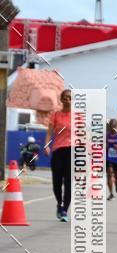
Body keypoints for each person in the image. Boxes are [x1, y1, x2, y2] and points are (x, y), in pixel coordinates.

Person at [44, 89, 72, 221]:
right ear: (61, 100)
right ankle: (59, 204)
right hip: (58, 151)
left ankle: (64, 210)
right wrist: (46, 145)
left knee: (69, 182)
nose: (68, 100)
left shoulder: (78, 117)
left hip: (72, 151)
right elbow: (49, 132)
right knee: (56, 182)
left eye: (70, 98)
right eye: (65, 97)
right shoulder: (56, 115)